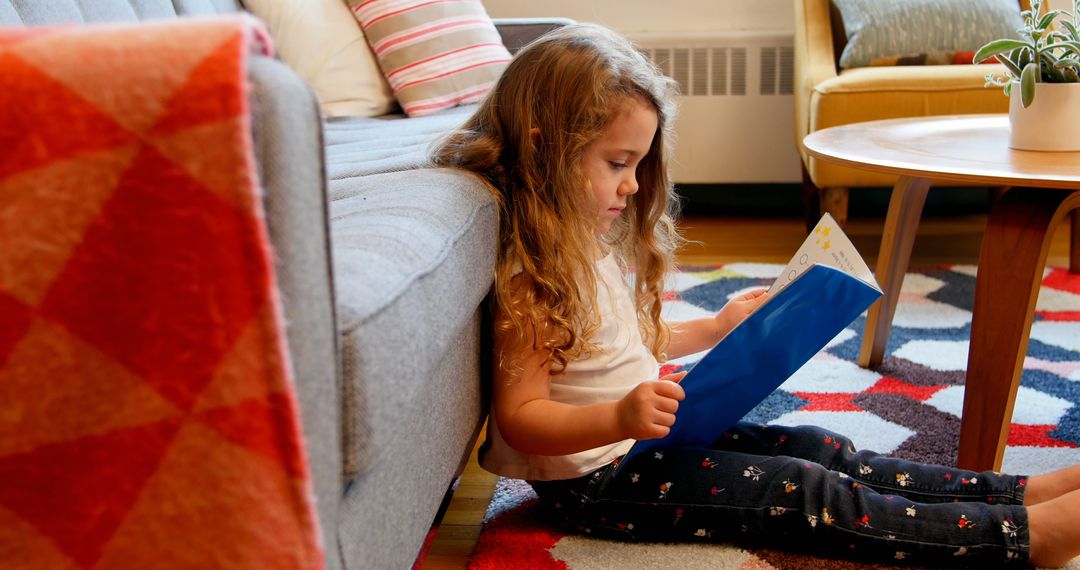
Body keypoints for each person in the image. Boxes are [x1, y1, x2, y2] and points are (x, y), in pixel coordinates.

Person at [433, 22, 1080, 569]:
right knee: (802, 490)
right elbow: (521, 416)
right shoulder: (528, 275)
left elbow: (611, 347)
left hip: (644, 444)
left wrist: (713, 330)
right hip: (597, 480)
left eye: (638, 165)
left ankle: (1017, 493)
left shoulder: (580, 242)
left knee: (818, 446)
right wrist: (619, 419)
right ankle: (1022, 541)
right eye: (617, 162)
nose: (632, 186)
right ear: (546, 149)